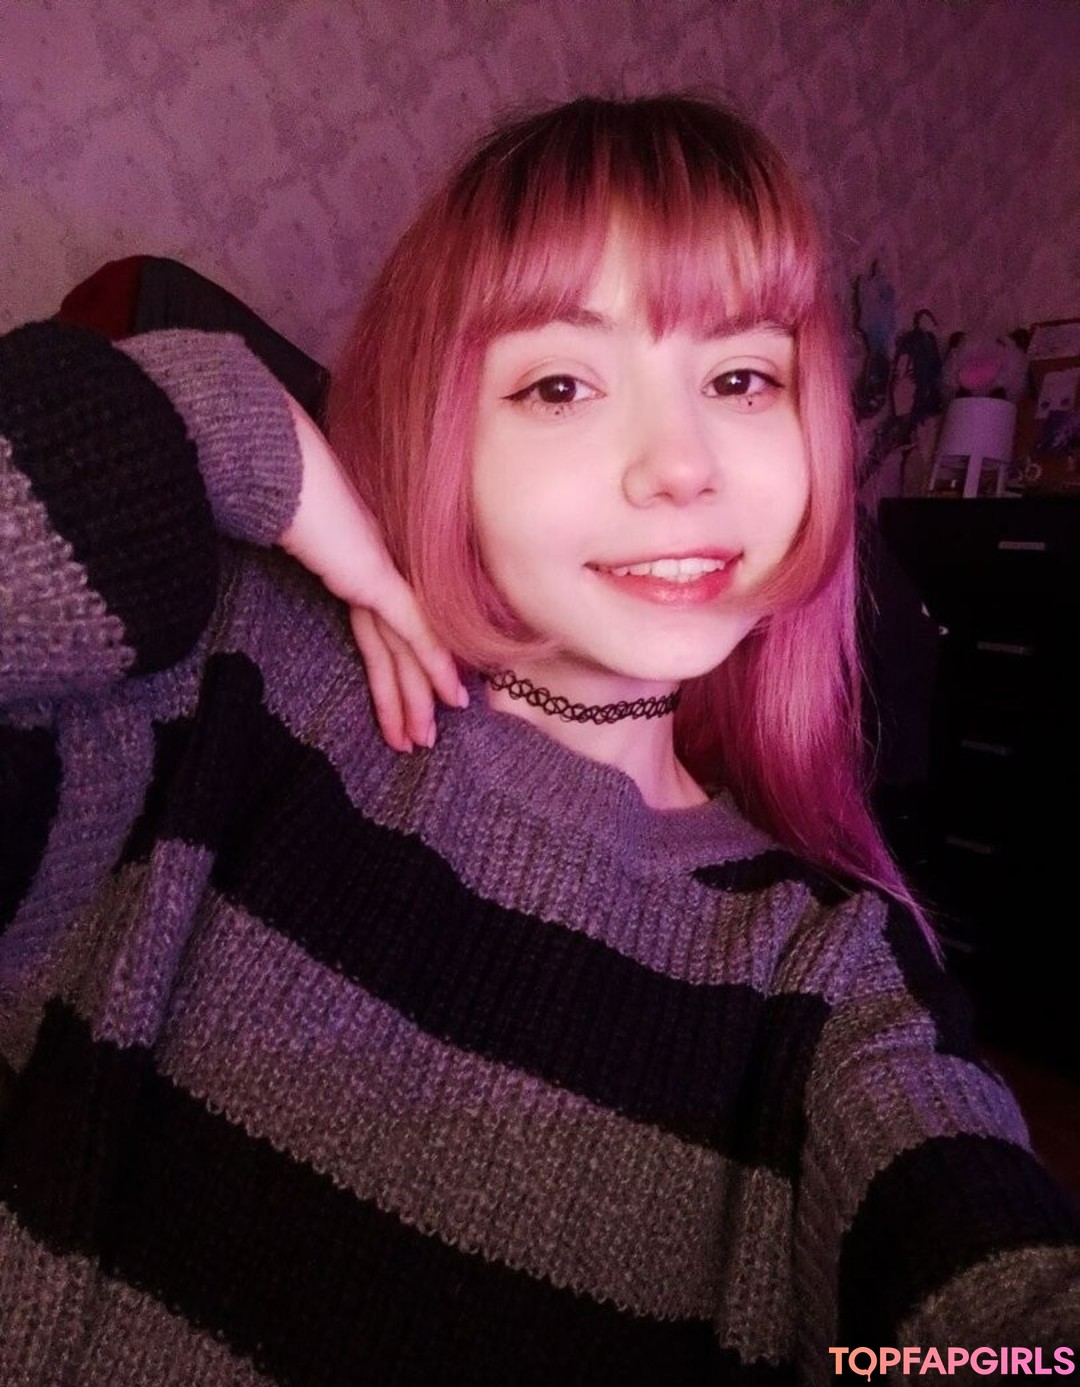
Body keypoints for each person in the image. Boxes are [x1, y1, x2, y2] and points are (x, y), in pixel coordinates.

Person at [1, 95, 1077, 1386]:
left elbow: (1007, 1339)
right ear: (439, 429)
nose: (681, 465)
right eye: (561, 384)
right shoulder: (221, 686)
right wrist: (218, 421)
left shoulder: (832, 970)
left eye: (742, 378)